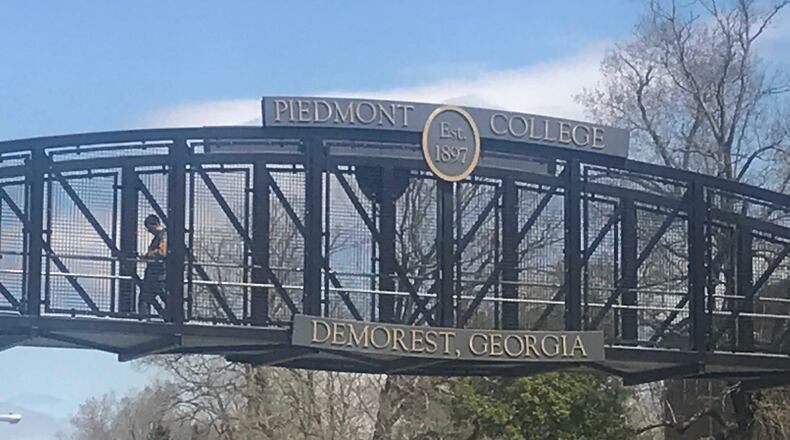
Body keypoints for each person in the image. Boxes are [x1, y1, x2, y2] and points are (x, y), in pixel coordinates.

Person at [139, 214, 167, 315]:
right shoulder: (161, 236)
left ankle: (145, 321)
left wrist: (148, 255)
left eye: (149, 228)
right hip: (158, 275)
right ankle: (168, 316)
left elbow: (162, 252)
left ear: (154, 225)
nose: (149, 231)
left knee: (146, 298)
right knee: (162, 298)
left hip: (158, 275)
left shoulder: (163, 235)